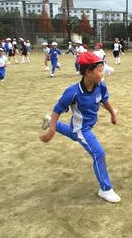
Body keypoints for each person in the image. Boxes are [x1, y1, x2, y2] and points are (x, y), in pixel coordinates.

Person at [40, 52, 121, 203]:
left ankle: (49, 121)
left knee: (73, 134)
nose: (103, 73)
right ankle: (105, 189)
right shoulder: (73, 92)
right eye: (100, 70)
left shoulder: (101, 86)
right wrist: (51, 131)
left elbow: (104, 100)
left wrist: (112, 113)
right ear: (88, 72)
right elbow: (58, 109)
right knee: (99, 153)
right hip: (82, 129)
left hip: (85, 126)